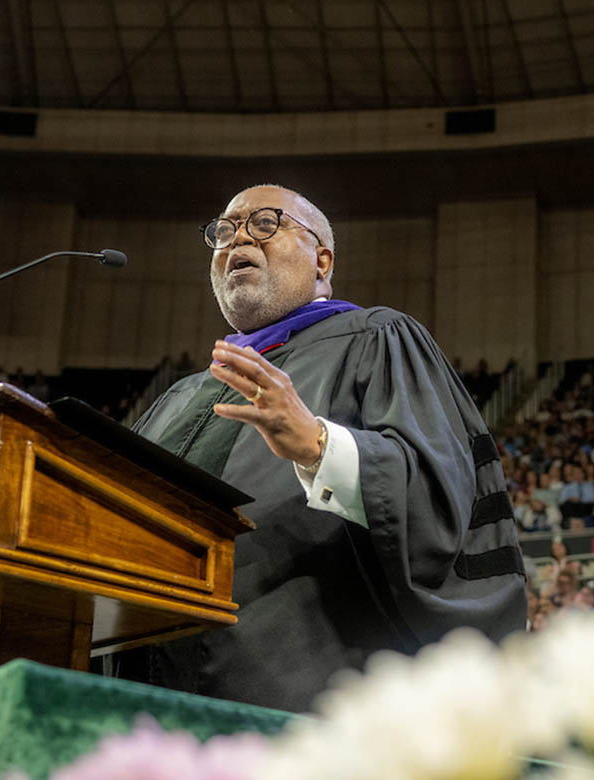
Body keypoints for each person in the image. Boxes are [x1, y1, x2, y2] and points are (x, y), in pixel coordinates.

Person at [118, 185, 526, 711]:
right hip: (146, 707)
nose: (238, 236)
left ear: (322, 259)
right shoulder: (177, 398)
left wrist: (318, 445)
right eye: (225, 229)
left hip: (304, 699)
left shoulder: (376, 338)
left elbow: (437, 498)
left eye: (265, 223)